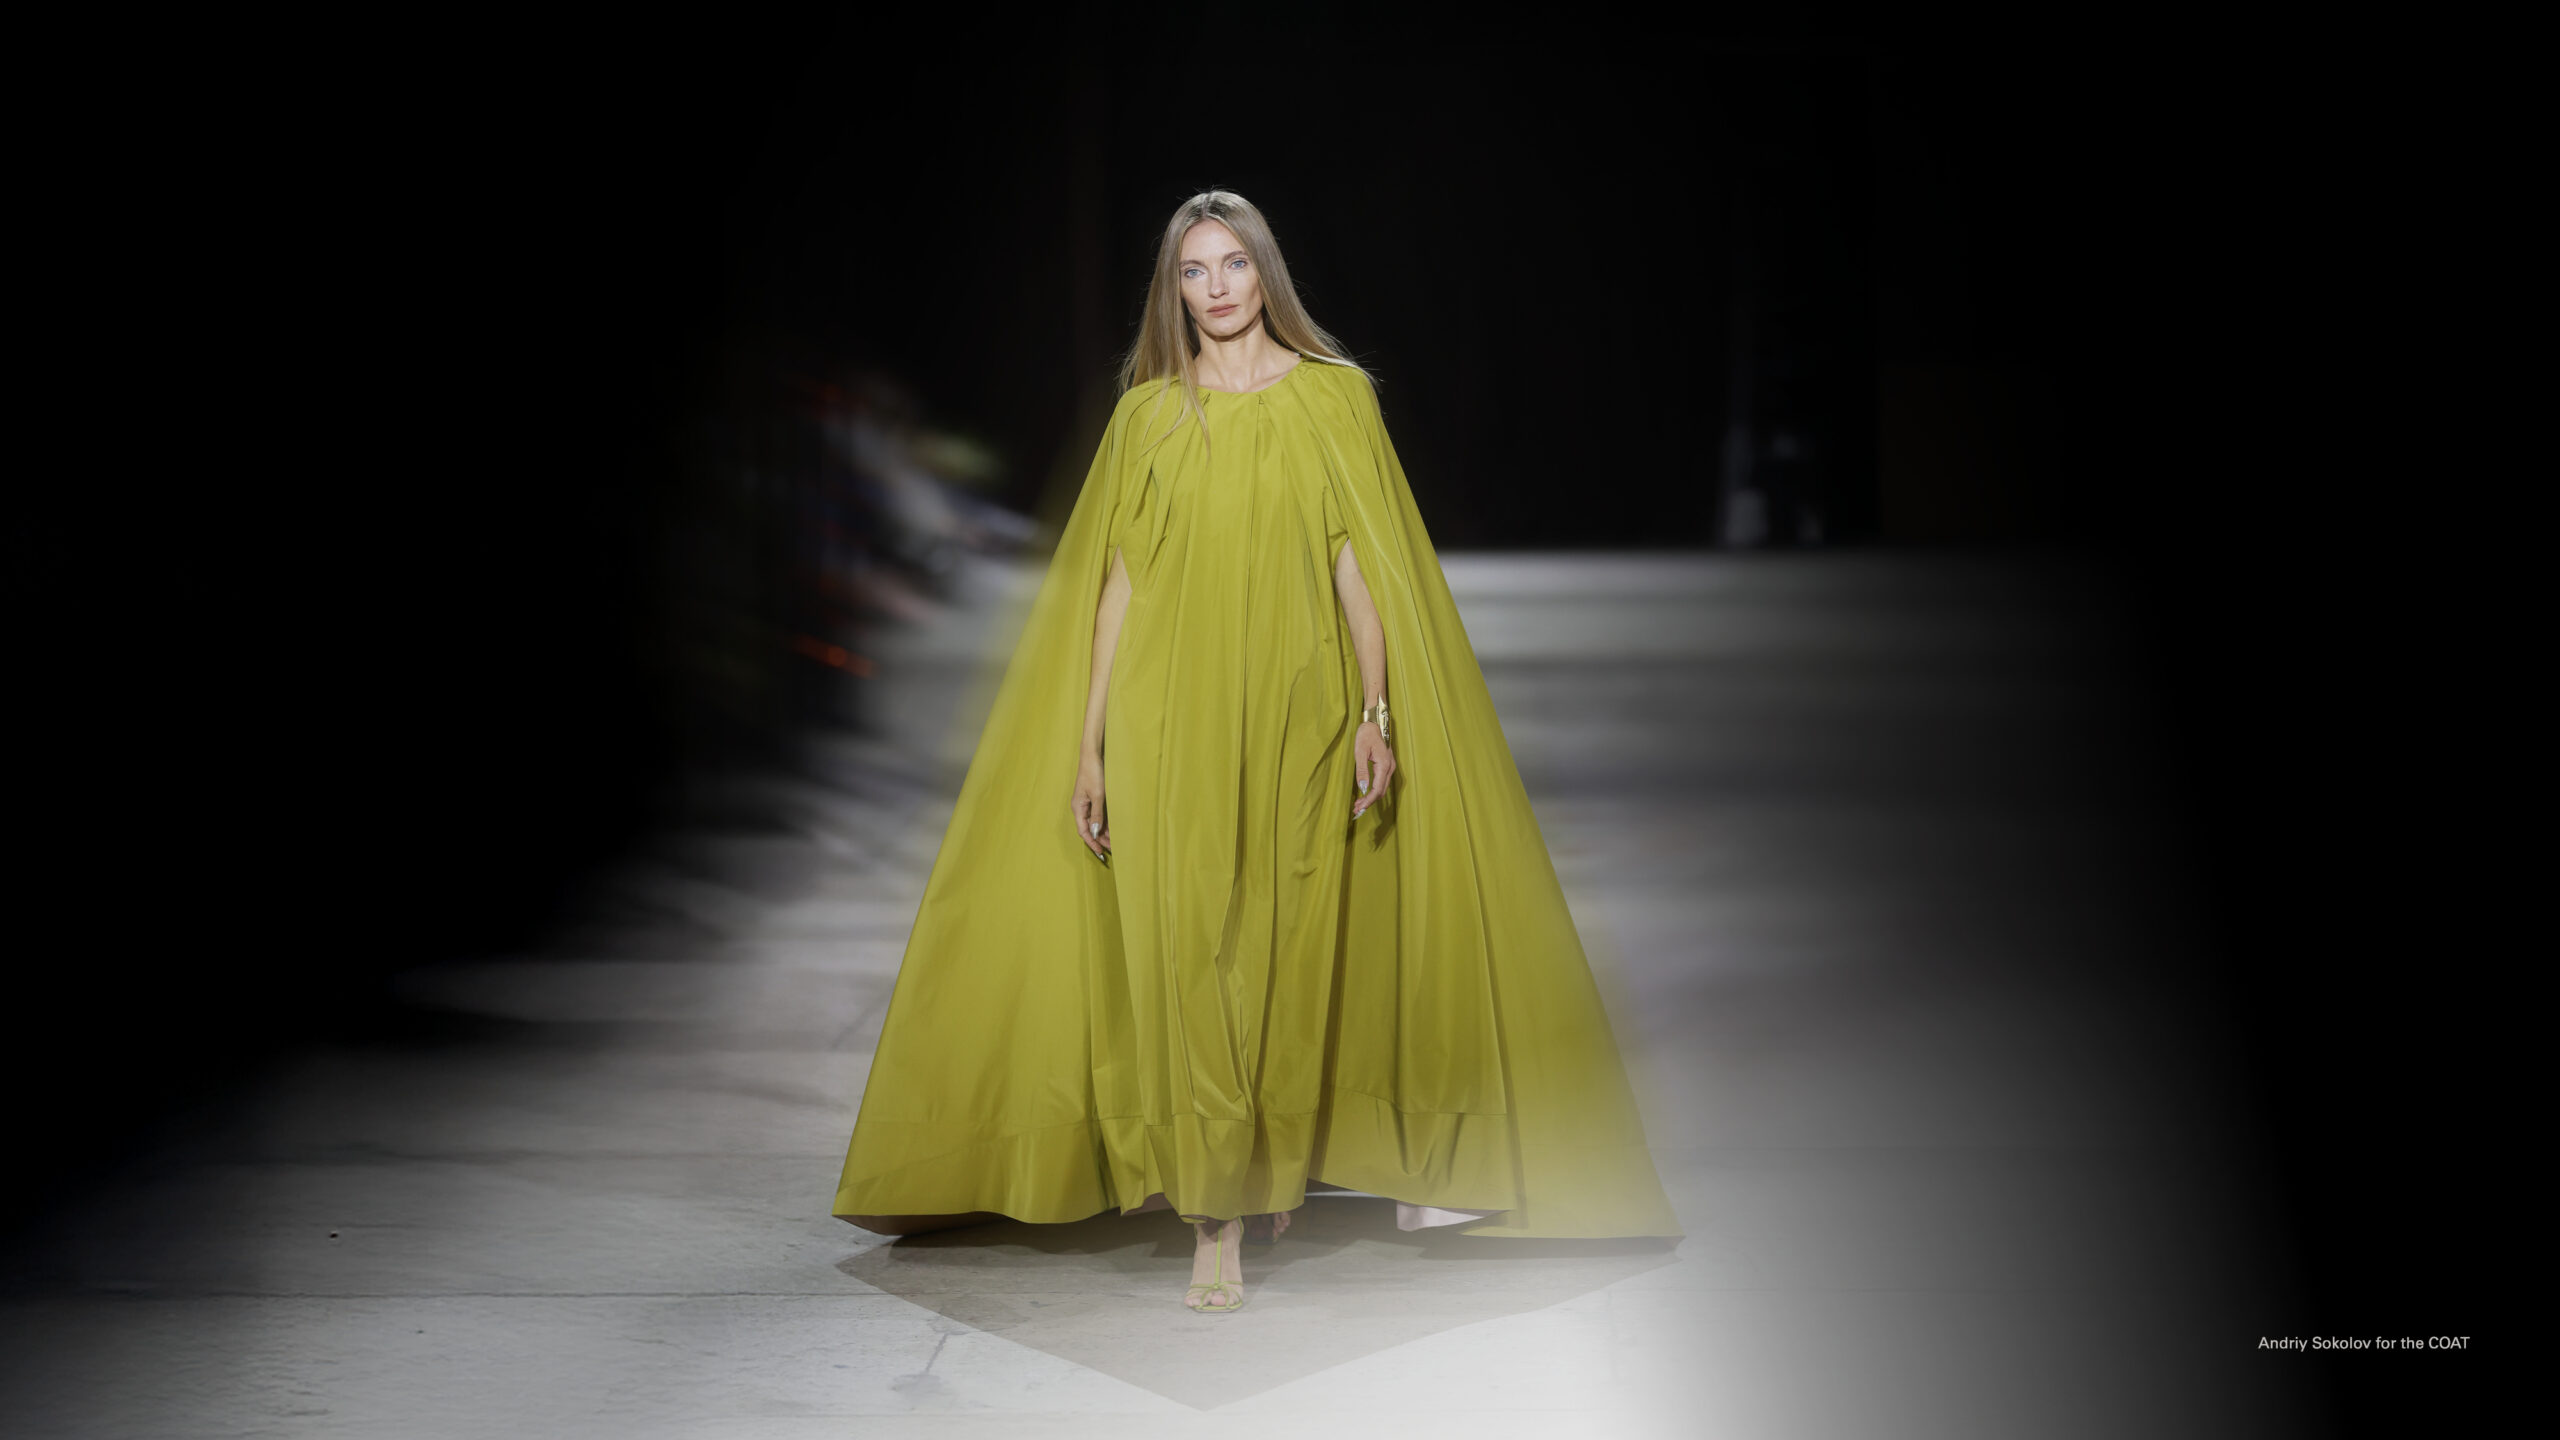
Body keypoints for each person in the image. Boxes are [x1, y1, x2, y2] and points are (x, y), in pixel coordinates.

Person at [834, 191, 1683, 1313]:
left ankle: (1267, 1165)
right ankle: (1214, 1218)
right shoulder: (1146, 417)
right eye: (1194, 271)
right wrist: (1088, 747)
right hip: (1164, 715)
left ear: (1265, 273)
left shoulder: (1335, 398)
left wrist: (1376, 714)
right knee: (1190, 950)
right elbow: (1117, 588)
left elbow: (1360, 566)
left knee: (1288, 942)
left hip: (1301, 706)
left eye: (1233, 264)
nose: (1216, 288)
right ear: (1173, 292)